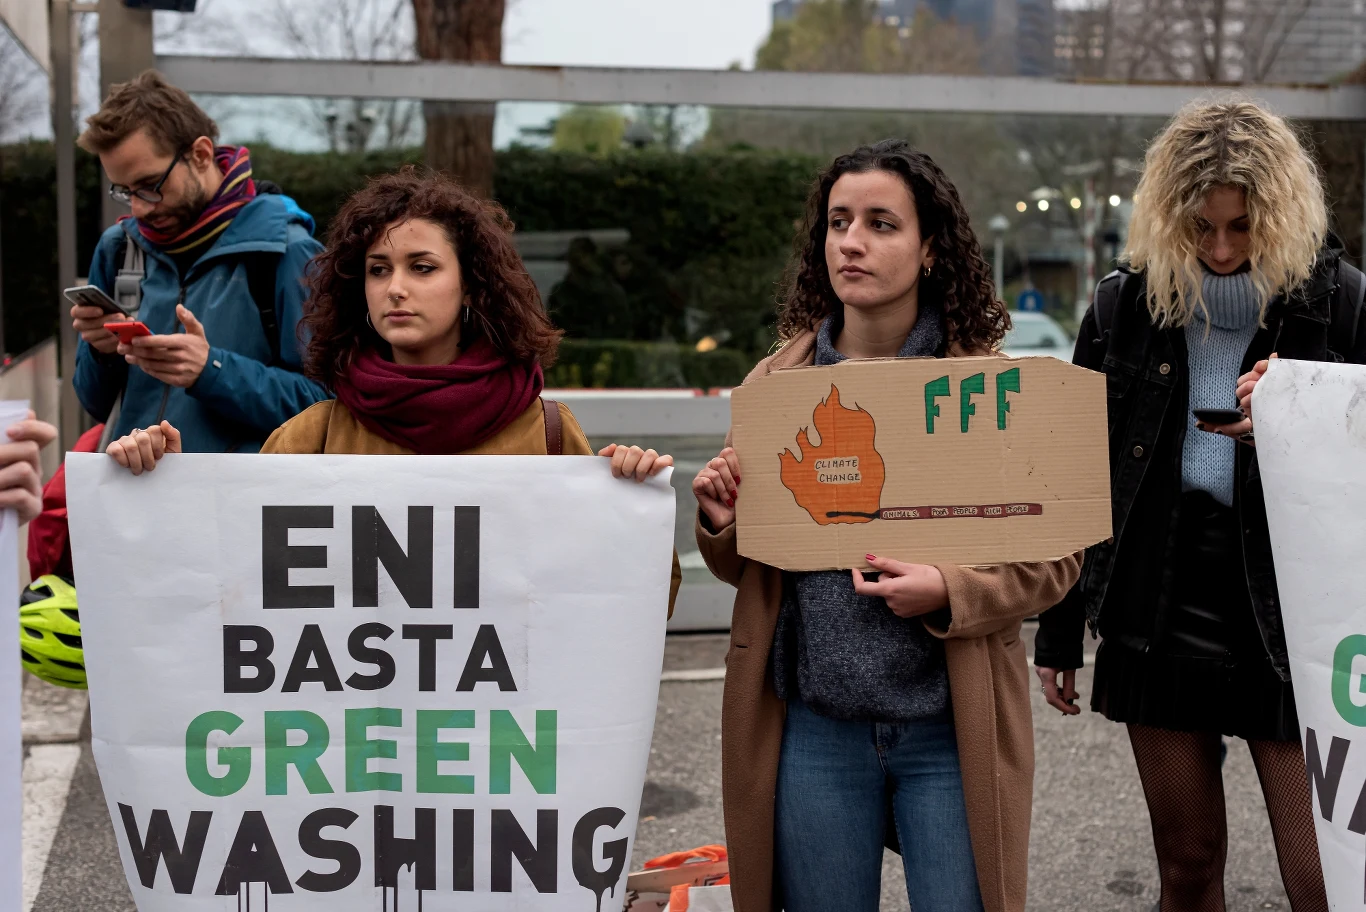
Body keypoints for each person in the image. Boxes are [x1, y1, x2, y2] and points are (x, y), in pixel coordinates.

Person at [692, 140, 1081, 912]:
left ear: (930, 248)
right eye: (838, 222)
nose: (851, 242)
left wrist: (950, 590)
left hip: (950, 730)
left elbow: (1056, 559)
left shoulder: (988, 390)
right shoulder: (777, 388)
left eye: (880, 223)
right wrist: (724, 520)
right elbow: (756, 566)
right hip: (815, 728)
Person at [1034, 100, 1350, 912]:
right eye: (1200, 227)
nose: (1220, 249)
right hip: (1160, 602)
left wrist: (1296, 416)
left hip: (1291, 613)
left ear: (1281, 215)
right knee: (1186, 863)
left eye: (1243, 227)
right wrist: (1060, 632)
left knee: (1324, 880)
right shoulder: (1123, 306)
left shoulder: (1341, 302)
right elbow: (1076, 473)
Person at [105, 168, 681, 601]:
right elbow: (227, 587)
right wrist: (169, 489)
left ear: (472, 285)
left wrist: (628, 502)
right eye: (378, 270)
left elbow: (624, 602)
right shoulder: (311, 437)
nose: (395, 288)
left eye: (422, 267)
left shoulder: (548, 434)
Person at [72, 70, 328, 453]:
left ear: (201, 154)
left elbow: (325, 407)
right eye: (125, 191)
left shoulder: (287, 251)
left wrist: (212, 371)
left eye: (151, 186)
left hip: (237, 491)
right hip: (132, 487)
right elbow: (95, 405)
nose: (139, 208)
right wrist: (102, 352)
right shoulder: (118, 249)